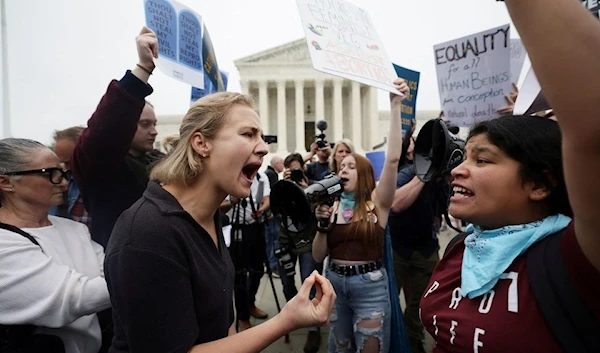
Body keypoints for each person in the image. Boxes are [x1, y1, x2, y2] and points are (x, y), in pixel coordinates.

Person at [103, 58, 335, 353]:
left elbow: (219, 326)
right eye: (248, 134)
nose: (264, 147)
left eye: (262, 136)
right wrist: (286, 320)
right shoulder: (147, 234)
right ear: (201, 144)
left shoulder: (207, 216)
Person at [420, 1, 600, 351]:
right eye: (464, 156)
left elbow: (592, 133)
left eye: (483, 160)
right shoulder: (462, 247)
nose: (457, 169)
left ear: (539, 184)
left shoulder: (576, 256)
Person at [312, 78, 409, 353]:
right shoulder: (331, 205)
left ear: (364, 173)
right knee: (340, 347)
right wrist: (321, 225)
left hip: (370, 289)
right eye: (341, 166)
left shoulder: (378, 202)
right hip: (335, 286)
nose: (343, 170)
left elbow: (392, 160)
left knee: (371, 346)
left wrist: (394, 106)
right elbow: (318, 256)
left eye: (351, 166)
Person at [0, 138, 111, 353]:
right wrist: (145, 272)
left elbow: (109, 270)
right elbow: (72, 298)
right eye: (49, 173)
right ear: (6, 182)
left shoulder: (73, 229)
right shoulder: (4, 241)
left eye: (62, 172)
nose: (63, 182)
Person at [71, 27, 163, 248]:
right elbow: (105, 134)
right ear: (126, 123)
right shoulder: (102, 168)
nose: (154, 131)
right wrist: (143, 69)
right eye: (144, 124)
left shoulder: (159, 162)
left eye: (155, 124)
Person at [388, 135, 448, 353]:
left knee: (422, 304)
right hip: (398, 247)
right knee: (388, 301)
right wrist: (424, 176)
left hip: (426, 248)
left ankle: (414, 343)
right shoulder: (407, 174)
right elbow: (396, 203)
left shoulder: (441, 179)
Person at [279, 152, 323, 353]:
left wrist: (307, 193)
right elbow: (274, 213)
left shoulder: (313, 186)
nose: (296, 174)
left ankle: (313, 328)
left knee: (310, 282)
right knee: (288, 284)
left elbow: (321, 212)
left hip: (307, 243)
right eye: (291, 171)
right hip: (286, 242)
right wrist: (283, 188)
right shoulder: (281, 189)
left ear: (303, 169)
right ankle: (294, 315)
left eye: (298, 169)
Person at [224, 169, 271, 331]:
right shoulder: (230, 176)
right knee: (239, 274)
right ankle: (243, 316)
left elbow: (267, 198)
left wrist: (263, 209)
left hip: (256, 227)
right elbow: (217, 205)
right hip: (237, 228)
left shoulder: (261, 177)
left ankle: (250, 303)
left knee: (258, 269)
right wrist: (232, 201)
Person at [50, 126, 92, 230]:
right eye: (62, 163)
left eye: (69, 162)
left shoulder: (108, 182)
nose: (66, 168)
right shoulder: (62, 180)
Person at [264, 155, 284, 274]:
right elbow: (272, 194)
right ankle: (272, 265)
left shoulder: (269, 173)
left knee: (271, 239)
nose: (283, 165)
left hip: (270, 212)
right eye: (281, 163)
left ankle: (271, 264)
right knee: (274, 239)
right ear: (275, 164)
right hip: (271, 213)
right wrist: (272, 210)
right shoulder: (271, 174)